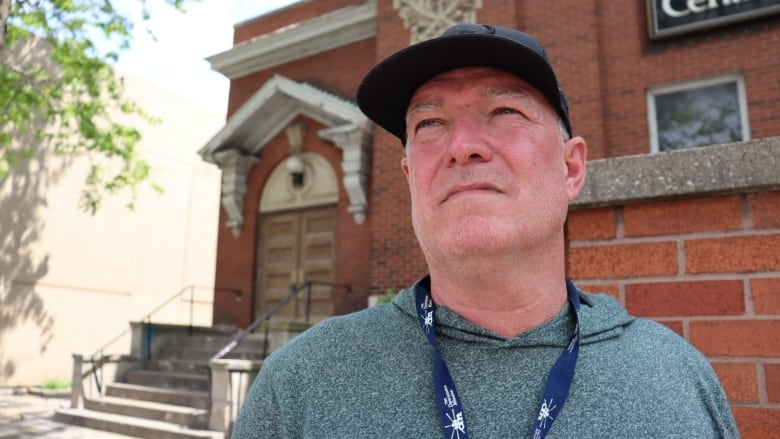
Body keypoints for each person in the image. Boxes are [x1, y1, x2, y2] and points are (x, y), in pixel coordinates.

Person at [232, 24, 738, 438]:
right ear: (411, 176)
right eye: (429, 123)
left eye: (504, 111)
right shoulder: (299, 385)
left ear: (571, 169)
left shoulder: (678, 379)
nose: (463, 145)